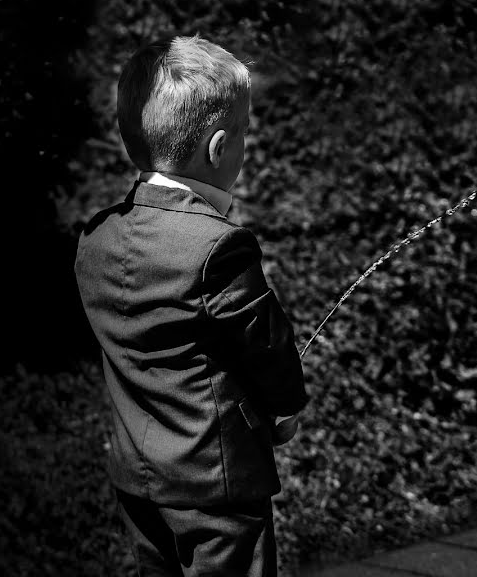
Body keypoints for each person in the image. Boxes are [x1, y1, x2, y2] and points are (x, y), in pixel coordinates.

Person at [74, 35, 308, 576]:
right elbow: (266, 345)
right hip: (216, 489)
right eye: (245, 132)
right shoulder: (217, 246)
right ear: (219, 146)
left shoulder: (96, 238)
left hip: (138, 479)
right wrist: (287, 406)